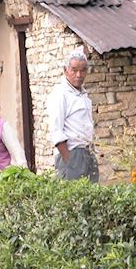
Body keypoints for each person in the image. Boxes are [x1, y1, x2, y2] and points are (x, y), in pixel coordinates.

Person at [48, 47, 99, 183]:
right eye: (74, 70)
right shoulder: (60, 94)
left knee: (92, 199)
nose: (79, 75)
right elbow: (56, 130)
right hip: (72, 154)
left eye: (83, 70)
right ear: (66, 71)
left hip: (87, 153)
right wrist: (69, 160)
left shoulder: (82, 94)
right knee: (74, 201)